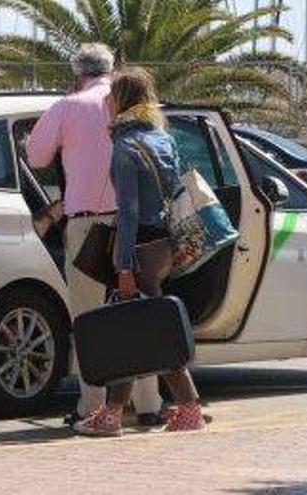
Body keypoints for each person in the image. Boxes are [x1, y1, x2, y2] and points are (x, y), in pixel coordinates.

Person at [25, 44, 163, 431]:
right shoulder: (136, 106)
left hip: (86, 225)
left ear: (76, 72)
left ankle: (93, 407)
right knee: (138, 315)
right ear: (113, 68)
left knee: (88, 320)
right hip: (135, 224)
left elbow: (35, 157)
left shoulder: (67, 107)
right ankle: (149, 404)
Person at [77, 67, 206, 436]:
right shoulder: (162, 138)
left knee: (148, 331)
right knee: (136, 329)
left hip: (139, 247)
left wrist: (123, 265)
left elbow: (129, 209)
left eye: (111, 95)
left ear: (121, 100)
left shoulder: (125, 145)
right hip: (163, 242)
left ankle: (187, 408)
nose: (106, 101)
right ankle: (114, 413)